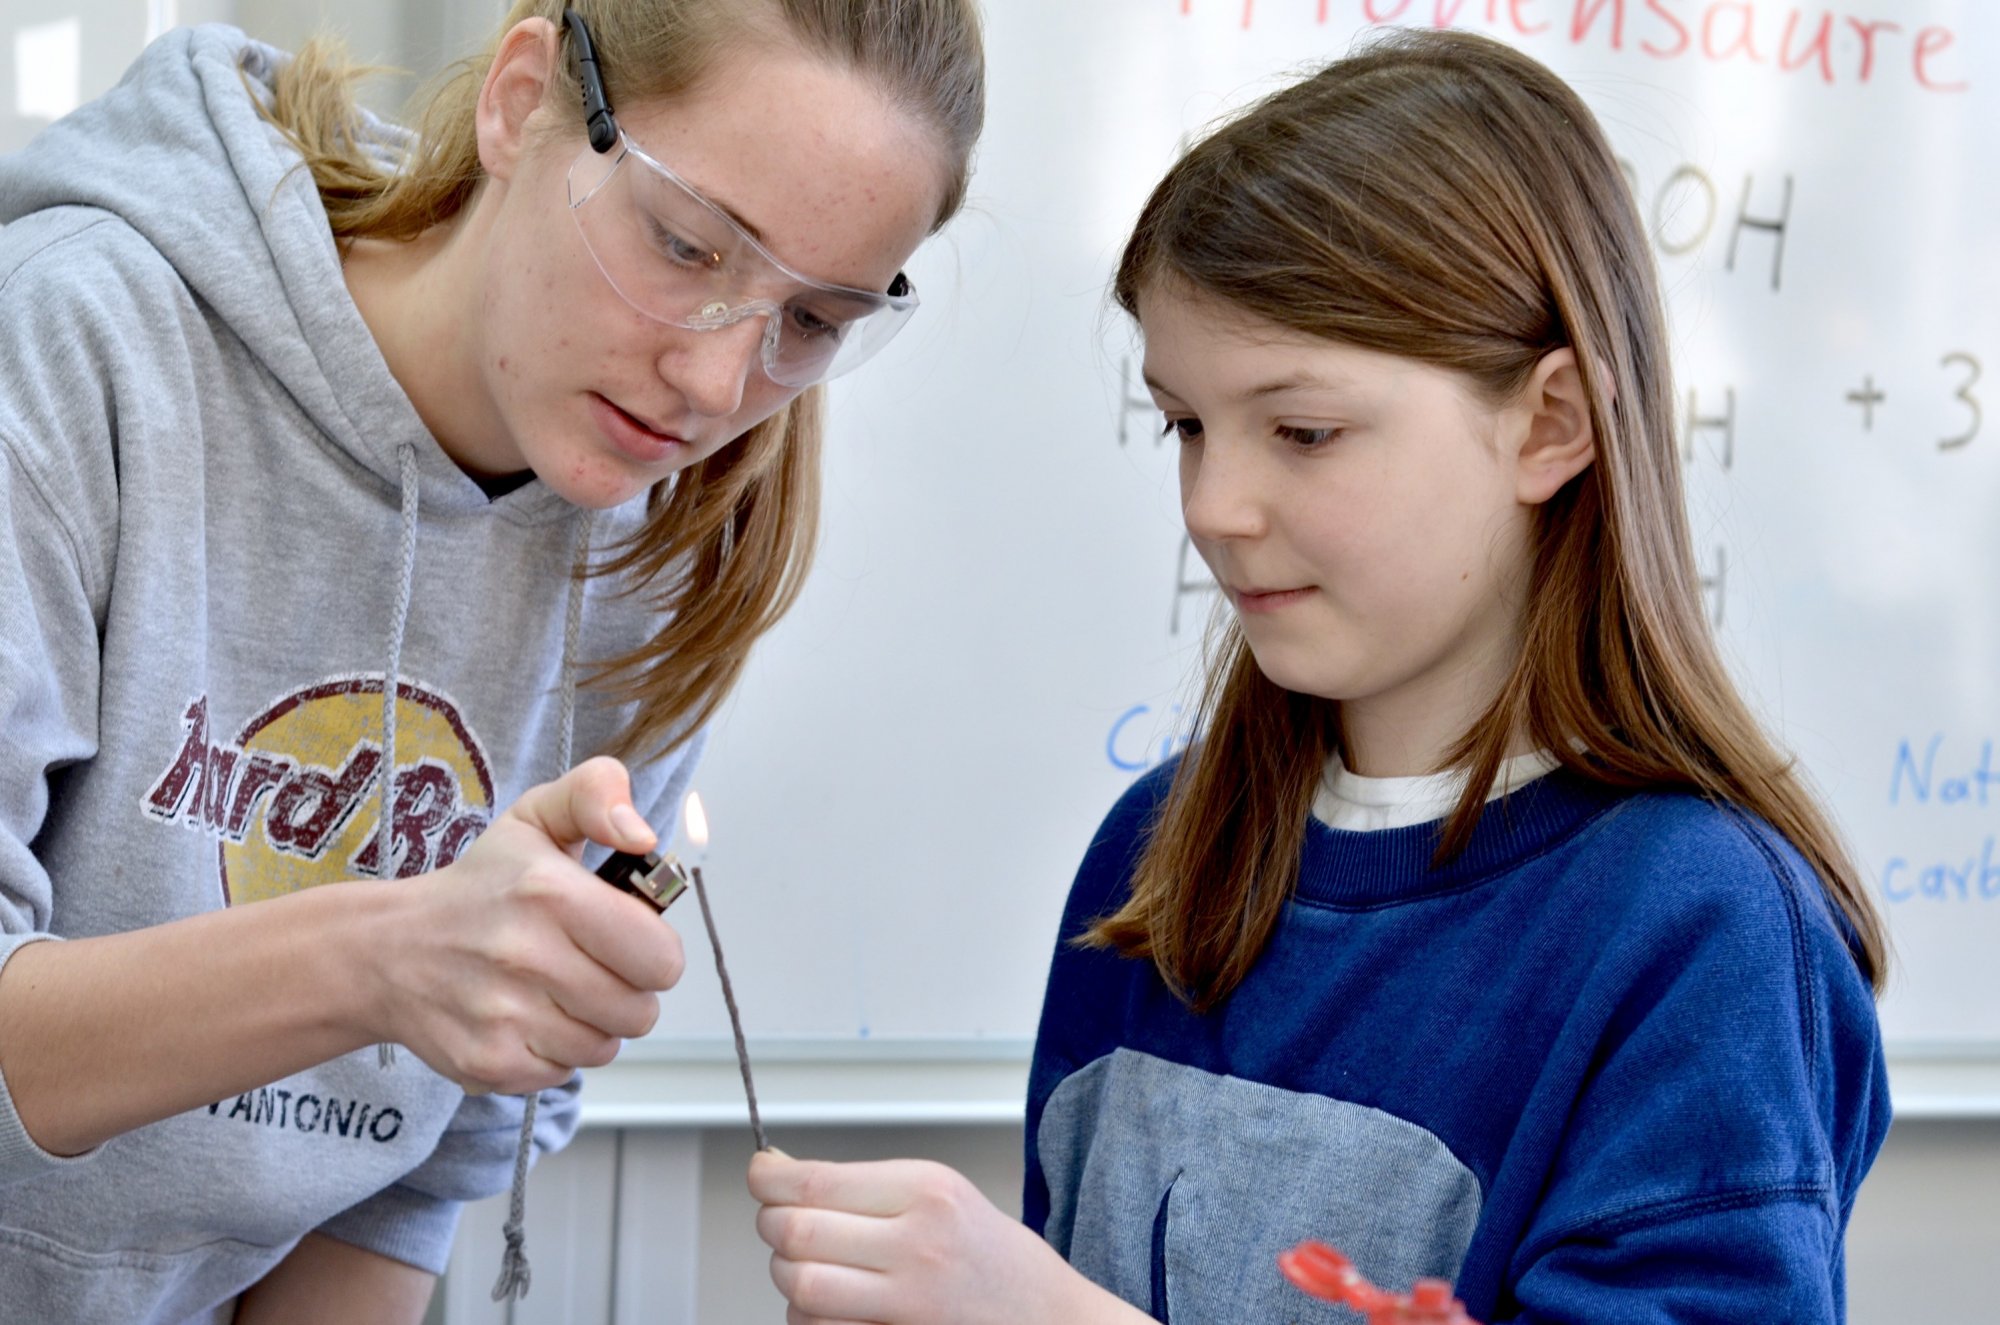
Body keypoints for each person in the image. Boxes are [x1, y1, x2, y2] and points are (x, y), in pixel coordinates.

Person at [749, 27, 1889, 1325]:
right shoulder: (1160, 860)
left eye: (1302, 430)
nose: (1214, 505)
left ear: (1551, 424)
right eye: (1187, 424)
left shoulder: (1703, 934)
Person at [0, 0, 981, 1318]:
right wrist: (381, 963)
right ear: (522, 101)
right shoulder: (74, 341)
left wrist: (443, 993)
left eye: (810, 321)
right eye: (685, 244)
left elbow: (412, 1173)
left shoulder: (672, 540)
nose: (714, 384)